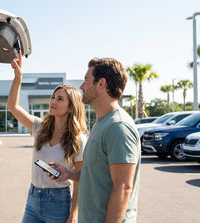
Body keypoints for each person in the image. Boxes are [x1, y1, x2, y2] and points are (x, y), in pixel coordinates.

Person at [50, 57, 141, 223]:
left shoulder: (118, 126)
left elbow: (123, 188)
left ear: (101, 84)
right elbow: (98, 174)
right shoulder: (102, 123)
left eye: (86, 80)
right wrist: (70, 173)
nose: (82, 86)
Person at [8, 50, 88, 223]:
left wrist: (73, 214)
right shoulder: (39, 127)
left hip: (58, 202)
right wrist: (18, 76)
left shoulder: (78, 139)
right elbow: (13, 106)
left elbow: (80, 180)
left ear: (71, 107)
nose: (53, 101)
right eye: (53, 97)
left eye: (60, 99)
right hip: (33, 198)